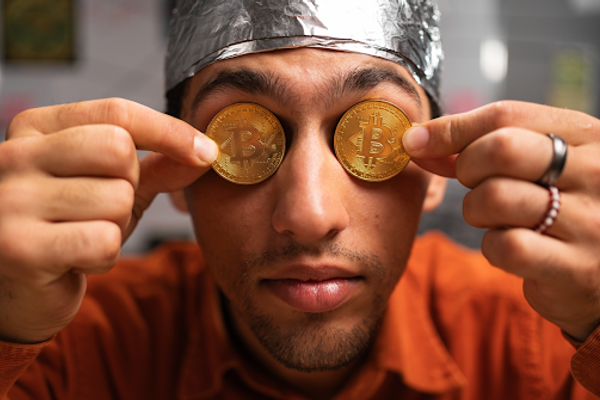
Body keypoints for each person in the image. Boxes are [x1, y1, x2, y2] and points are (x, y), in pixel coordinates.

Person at [1, 0, 600, 399]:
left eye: (374, 134)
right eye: (242, 139)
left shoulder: (542, 344)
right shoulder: (63, 344)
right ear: (178, 172)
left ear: (437, 172)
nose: (310, 216)